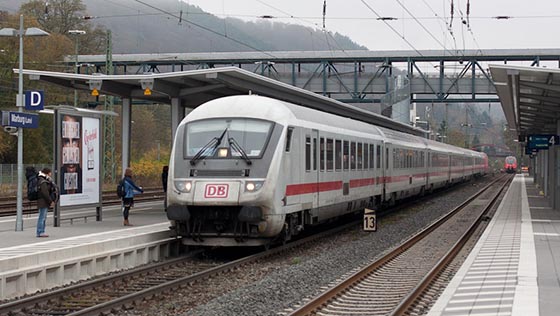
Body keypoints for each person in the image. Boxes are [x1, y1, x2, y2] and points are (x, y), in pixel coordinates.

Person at [36, 168, 57, 237]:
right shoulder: (43, 181)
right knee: (42, 217)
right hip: (43, 201)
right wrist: (50, 201)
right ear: (47, 173)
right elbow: (45, 193)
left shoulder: (44, 180)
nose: (51, 174)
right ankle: (40, 231)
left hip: (43, 201)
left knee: (43, 217)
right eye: (50, 173)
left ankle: (41, 231)